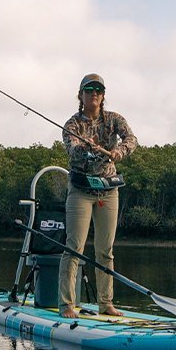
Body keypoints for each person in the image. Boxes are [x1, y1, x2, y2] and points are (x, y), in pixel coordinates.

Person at [60, 73, 137, 318]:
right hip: (81, 191)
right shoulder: (72, 124)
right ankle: (66, 305)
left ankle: (106, 303)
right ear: (81, 95)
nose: (94, 94)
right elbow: (72, 150)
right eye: (89, 89)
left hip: (108, 189)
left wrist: (119, 151)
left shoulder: (114, 119)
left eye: (98, 90)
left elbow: (132, 139)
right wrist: (86, 145)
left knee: (105, 250)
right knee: (74, 247)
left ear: (103, 96)